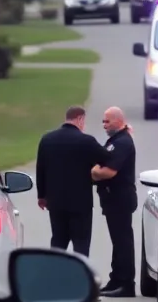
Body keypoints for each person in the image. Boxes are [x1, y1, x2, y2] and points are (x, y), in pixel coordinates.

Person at [35, 105, 108, 256]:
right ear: (80, 119)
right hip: (80, 203)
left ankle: (55, 267)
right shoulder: (86, 141)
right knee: (81, 243)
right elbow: (107, 159)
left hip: (55, 202)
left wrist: (41, 196)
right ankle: (80, 270)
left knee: (58, 240)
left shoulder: (47, 140)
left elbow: (40, 169)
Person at [91, 106, 138, 298]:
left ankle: (126, 283)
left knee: (122, 241)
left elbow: (108, 172)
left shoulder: (122, 142)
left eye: (107, 121)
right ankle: (116, 280)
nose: (104, 125)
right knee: (118, 241)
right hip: (113, 199)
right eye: (103, 121)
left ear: (119, 121)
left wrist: (93, 171)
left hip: (120, 198)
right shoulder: (116, 141)